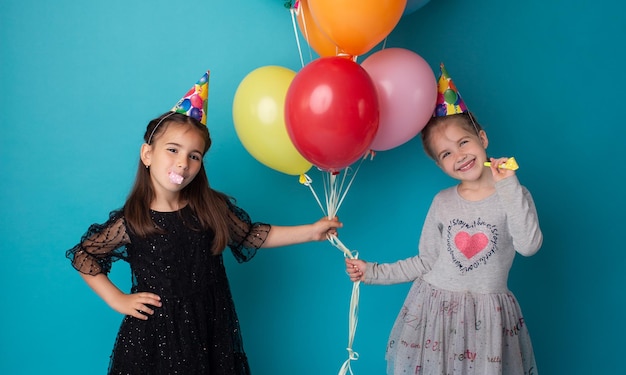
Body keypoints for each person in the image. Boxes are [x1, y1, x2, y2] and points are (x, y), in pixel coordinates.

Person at [66, 71, 341, 375]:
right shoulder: (132, 220)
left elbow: (250, 235)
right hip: (155, 339)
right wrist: (118, 299)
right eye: (173, 150)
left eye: (194, 156)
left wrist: (312, 232)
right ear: (147, 154)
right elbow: (84, 255)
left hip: (210, 328)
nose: (183, 163)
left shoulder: (210, 207)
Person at [345, 64, 542, 375]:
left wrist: (508, 185)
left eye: (463, 142)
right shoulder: (443, 202)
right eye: (446, 153)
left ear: (482, 138)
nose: (459, 155)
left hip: (487, 319)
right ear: (439, 165)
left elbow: (529, 245)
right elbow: (426, 261)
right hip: (436, 315)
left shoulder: (513, 193)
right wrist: (372, 272)